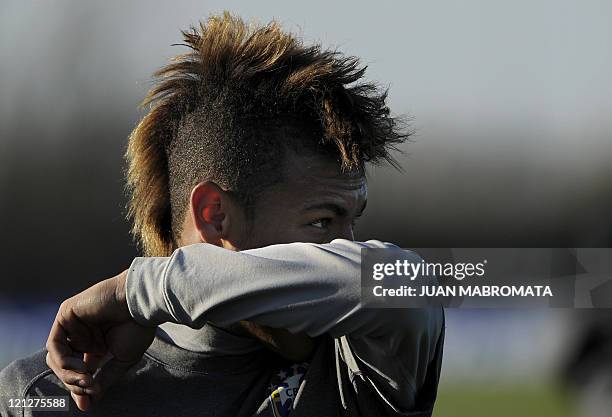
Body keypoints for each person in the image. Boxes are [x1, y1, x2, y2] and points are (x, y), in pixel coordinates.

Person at [0, 12, 444, 417]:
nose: (348, 247)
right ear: (214, 215)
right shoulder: (41, 396)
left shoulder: (358, 368)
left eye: (353, 221)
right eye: (322, 222)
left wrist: (138, 292)